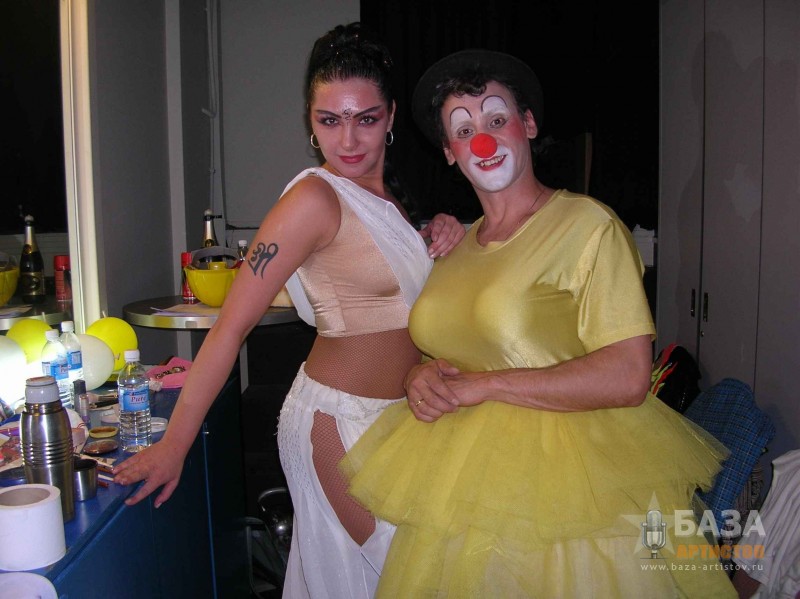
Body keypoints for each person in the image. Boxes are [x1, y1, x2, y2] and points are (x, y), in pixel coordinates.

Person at [341, 49, 738, 597]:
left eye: (497, 119)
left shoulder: (587, 226)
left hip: (572, 484)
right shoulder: (454, 246)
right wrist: (419, 375)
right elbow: (449, 348)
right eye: (464, 130)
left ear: (527, 125)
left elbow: (628, 376)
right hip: (464, 483)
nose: (483, 140)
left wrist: (485, 386)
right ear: (450, 152)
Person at [113, 23, 465, 598]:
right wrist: (175, 445)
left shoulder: (391, 201)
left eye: (366, 119)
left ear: (392, 116)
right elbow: (230, 327)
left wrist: (440, 231)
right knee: (402, 576)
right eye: (329, 121)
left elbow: (394, 286)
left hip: (398, 421)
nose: (347, 140)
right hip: (336, 423)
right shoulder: (312, 199)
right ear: (310, 120)